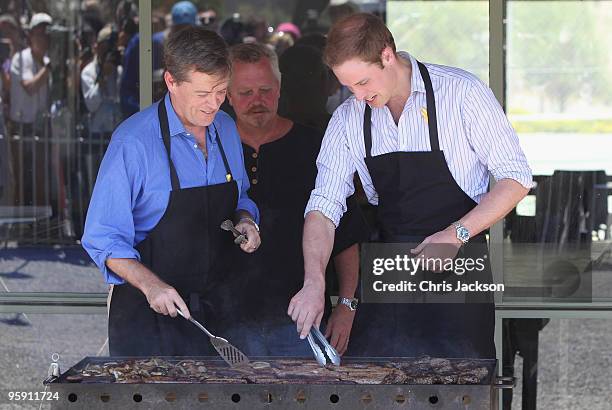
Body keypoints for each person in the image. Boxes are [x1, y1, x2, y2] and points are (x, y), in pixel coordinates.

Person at [288, 13, 533, 358]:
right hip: (389, 274)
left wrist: (456, 234)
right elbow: (324, 207)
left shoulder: (461, 92)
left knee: (461, 385)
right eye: (348, 87)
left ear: (387, 55)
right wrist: (313, 280)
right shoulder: (348, 119)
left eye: (362, 83)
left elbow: (516, 178)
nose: (357, 97)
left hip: (461, 270)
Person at [82, 26, 261, 356]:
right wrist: (152, 286)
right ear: (171, 82)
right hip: (148, 318)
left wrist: (247, 219)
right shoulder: (134, 142)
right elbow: (102, 237)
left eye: (221, 91)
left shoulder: (225, 128)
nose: (214, 104)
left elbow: (241, 196)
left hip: (217, 314)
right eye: (202, 93)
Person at [225, 43, 368, 356]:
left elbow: (346, 238)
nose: (257, 100)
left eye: (265, 89)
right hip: (223, 324)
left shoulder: (316, 148)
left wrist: (346, 307)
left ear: (279, 89)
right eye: (245, 92)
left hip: (303, 321)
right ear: (227, 95)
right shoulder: (211, 150)